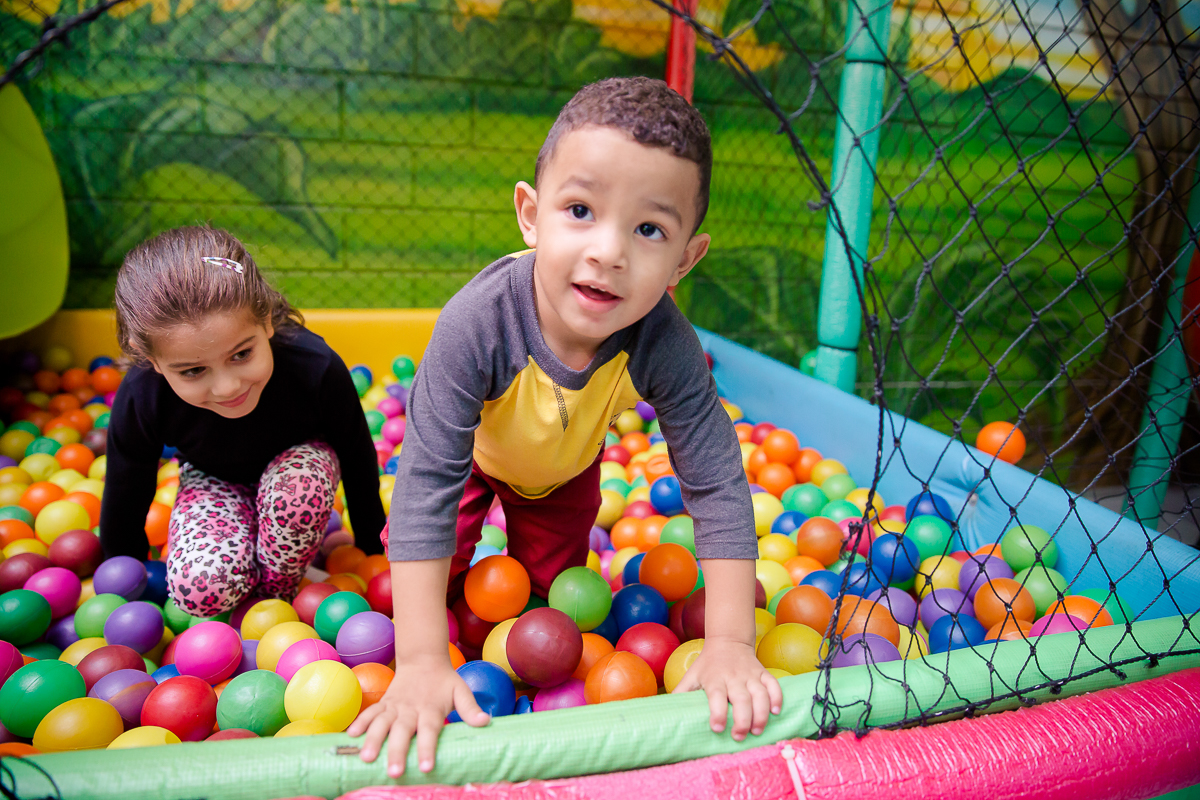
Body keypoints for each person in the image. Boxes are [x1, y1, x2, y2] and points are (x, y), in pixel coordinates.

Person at [350, 77, 781, 777]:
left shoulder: (662, 339)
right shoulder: (477, 324)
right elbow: (427, 478)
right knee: (434, 587)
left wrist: (731, 642)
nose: (609, 252)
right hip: (473, 464)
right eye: (580, 210)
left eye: (649, 230)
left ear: (685, 259)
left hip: (565, 475)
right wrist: (423, 661)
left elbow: (716, 477)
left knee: (557, 604)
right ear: (530, 213)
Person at [99, 225, 385, 618]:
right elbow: (127, 483)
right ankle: (249, 586)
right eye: (193, 371)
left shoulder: (313, 366)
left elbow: (356, 453)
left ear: (266, 319)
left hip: (298, 469)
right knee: (199, 591)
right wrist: (120, 574)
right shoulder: (143, 393)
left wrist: (374, 549)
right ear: (150, 359)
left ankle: (273, 600)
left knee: (296, 493)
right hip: (214, 480)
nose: (228, 386)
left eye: (241, 355)